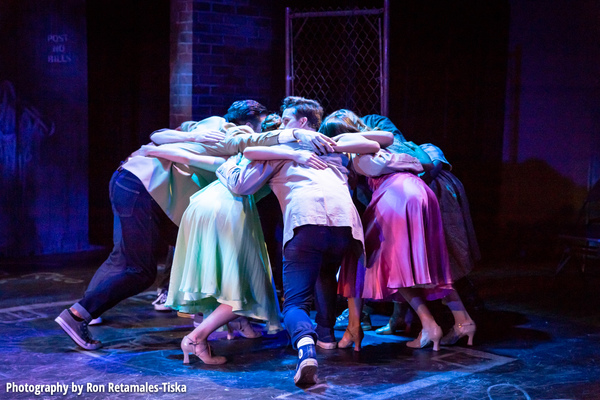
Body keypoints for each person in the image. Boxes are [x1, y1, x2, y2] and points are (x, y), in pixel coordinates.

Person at [55, 100, 333, 351]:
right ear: (251, 124)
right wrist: (294, 135)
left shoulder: (207, 124)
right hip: (144, 187)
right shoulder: (236, 133)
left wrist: (189, 136)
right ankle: (79, 313)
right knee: (139, 269)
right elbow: (252, 141)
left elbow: (156, 135)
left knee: (148, 253)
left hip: (130, 180)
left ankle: (212, 319)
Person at [217, 96, 381, 386]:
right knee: (325, 272)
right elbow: (374, 145)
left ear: (303, 123)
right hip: (344, 227)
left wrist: (230, 166)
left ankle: (306, 348)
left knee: (294, 302)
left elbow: (243, 183)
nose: (281, 125)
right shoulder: (332, 147)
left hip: (307, 222)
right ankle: (327, 337)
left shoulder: (282, 149)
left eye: (286, 119)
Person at [320, 110, 476, 351]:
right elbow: (423, 162)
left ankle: (426, 324)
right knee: (424, 264)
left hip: (396, 198)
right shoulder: (395, 145)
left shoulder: (361, 154)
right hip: (422, 195)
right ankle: (461, 320)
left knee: (379, 261)